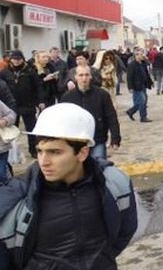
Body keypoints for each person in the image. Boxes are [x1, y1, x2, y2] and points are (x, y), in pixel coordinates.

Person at [0, 103, 137, 269]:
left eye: (55, 152)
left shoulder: (114, 184)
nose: (43, 161)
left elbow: (124, 232)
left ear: (82, 153)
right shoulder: (16, 200)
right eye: (40, 151)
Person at [61, 64, 121, 159]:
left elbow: (111, 117)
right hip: (76, 141)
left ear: (91, 76)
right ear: (75, 77)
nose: (84, 78)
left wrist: (115, 138)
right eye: (81, 75)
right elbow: (63, 120)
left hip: (97, 138)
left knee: (99, 166)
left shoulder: (102, 95)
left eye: (86, 75)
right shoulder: (67, 97)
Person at [0, 50, 45, 158]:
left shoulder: (30, 71)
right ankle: (11, 153)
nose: (16, 61)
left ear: (22, 59)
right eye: (14, 59)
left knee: (31, 129)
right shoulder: (5, 72)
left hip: (28, 103)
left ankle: (33, 150)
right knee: (10, 130)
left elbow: (38, 86)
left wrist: (40, 101)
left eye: (18, 59)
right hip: (12, 105)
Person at [126, 47, 152, 122]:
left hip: (143, 84)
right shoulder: (132, 65)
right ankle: (143, 117)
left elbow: (147, 71)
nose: (142, 56)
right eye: (140, 55)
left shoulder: (143, 63)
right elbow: (129, 77)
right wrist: (130, 87)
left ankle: (131, 111)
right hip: (136, 85)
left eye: (142, 54)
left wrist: (150, 82)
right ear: (136, 56)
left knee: (143, 101)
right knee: (142, 101)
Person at [0, 98, 17, 184]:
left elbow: (12, 114)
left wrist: (5, 121)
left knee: (1, 174)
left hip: (1, 148)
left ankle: (6, 191)